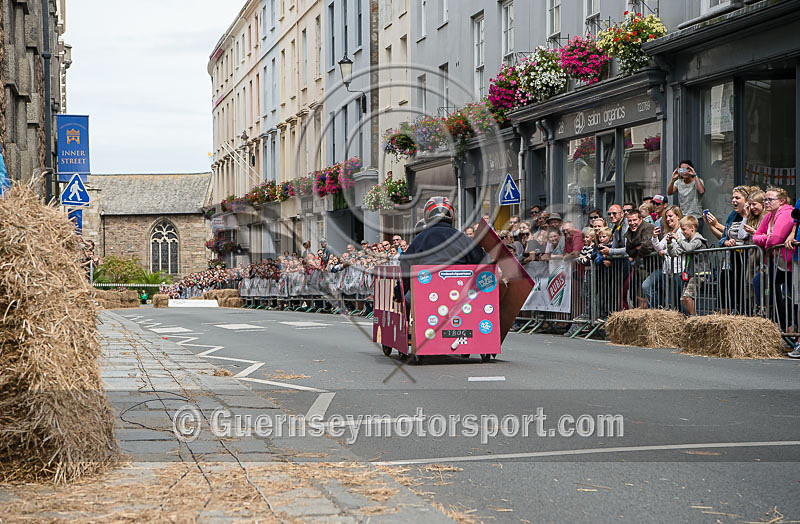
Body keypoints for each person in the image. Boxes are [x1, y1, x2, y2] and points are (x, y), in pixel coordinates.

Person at [398, 197, 485, 310]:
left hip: (426, 296)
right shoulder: (463, 239)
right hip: (460, 298)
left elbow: (405, 265)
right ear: (451, 216)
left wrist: (399, 292)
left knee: (408, 300)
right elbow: (482, 260)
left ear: (427, 216)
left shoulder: (420, 239)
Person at [752, 187, 795, 333]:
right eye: (765, 199)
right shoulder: (768, 216)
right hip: (776, 262)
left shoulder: (786, 213)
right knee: (769, 288)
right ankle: (782, 326)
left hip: (790, 262)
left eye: (770, 199)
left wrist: (766, 241)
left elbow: (776, 239)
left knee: (790, 297)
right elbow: (755, 237)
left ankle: (791, 331)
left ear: (781, 201)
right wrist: (766, 238)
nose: (766, 202)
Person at [705, 185, 751, 314]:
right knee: (724, 290)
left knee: (742, 292)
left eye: (737, 198)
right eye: (732, 198)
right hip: (730, 260)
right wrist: (726, 241)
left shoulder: (751, 215)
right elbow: (724, 237)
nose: (733, 201)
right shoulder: (732, 215)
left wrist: (715, 224)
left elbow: (745, 236)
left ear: (747, 200)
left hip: (746, 260)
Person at [644, 205, 685, 309]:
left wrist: (665, 252)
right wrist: (654, 237)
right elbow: (659, 248)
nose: (667, 219)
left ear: (678, 216)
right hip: (668, 270)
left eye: (670, 216)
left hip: (679, 269)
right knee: (671, 301)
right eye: (666, 217)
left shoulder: (682, 231)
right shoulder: (669, 233)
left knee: (680, 300)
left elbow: (681, 247)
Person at [668, 216, 708, 316]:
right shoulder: (686, 241)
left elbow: (689, 248)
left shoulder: (698, 240)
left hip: (700, 273)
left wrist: (678, 239)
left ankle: (693, 318)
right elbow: (674, 253)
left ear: (692, 228)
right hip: (691, 273)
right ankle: (692, 316)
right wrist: (669, 243)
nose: (682, 232)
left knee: (688, 296)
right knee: (683, 299)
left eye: (684, 229)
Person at [625, 209, 655, 308]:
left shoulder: (648, 227)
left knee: (644, 292)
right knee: (635, 293)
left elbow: (646, 247)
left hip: (651, 266)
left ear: (641, 219)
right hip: (638, 267)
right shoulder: (630, 231)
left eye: (634, 220)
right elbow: (628, 250)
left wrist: (636, 249)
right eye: (630, 221)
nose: (632, 223)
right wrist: (637, 248)